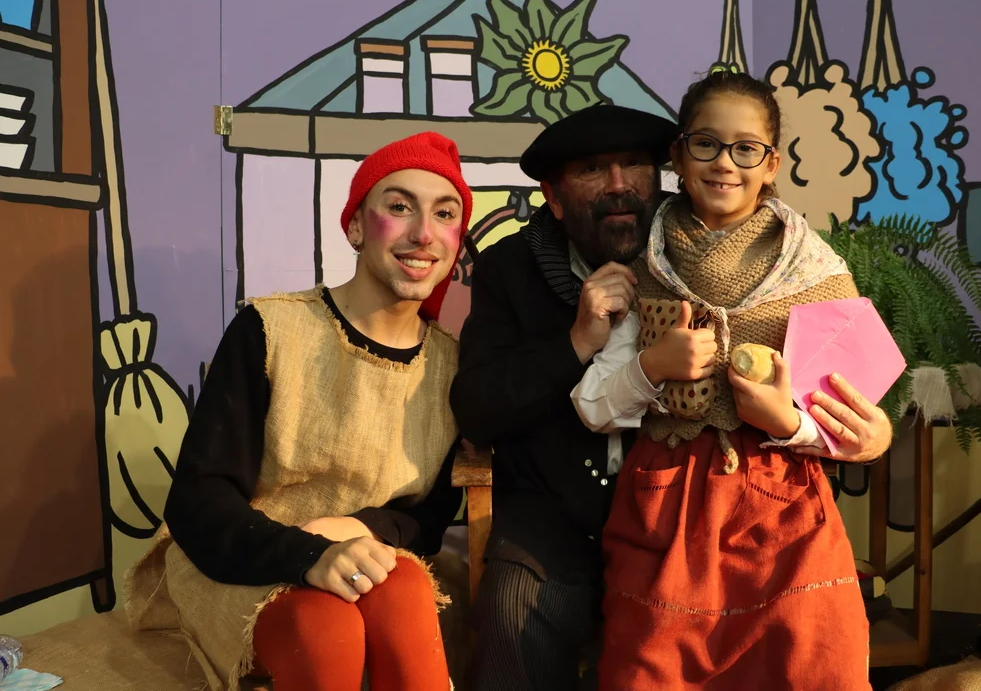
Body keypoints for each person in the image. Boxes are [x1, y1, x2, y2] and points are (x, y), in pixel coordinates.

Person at [450, 103, 893, 691]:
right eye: (592, 169)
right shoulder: (513, 268)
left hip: (722, 513)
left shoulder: (699, 246)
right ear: (552, 198)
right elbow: (480, 406)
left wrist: (865, 434)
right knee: (516, 615)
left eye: (635, 164)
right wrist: (577, 341)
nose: (618, 185)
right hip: (560, 520)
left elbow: (837, 385)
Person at [125, 132, 471, 691]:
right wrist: (310, 553)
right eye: (400, 206)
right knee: (325, 626)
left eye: (445, 213)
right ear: (355, 226)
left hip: (372, 563)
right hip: (248, 561)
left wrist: (360, 528)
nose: (423, 233)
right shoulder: (271, 331)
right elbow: (199, 501)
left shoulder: (454, 367)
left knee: (404, 589)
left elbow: (431, 514)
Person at [571, 68, 877, 689]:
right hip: (667, 507)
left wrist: (787, 422)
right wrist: (652, 368)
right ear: (679, 155)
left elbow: (855, 420)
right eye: (706, 143)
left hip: (784, 513)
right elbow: (593, 406)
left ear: (772, 164)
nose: (724, 163)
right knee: (651, 668)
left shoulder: (814, 272)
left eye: (746, 149)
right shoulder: (644, 266)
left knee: (814, 662)